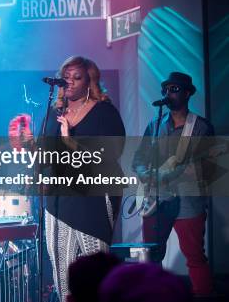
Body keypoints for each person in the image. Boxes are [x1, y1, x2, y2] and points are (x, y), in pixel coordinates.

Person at [42, 56, 126, 302]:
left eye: (77, 78)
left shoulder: (104, 112)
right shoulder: (54, 113)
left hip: (93, 199)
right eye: (66, 77)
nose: (70, 83)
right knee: (62, 272)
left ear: (90, 82)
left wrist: (71, 143)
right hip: (59, 199)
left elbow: (112, 154)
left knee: (95, 273)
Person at [132, 72, 214, 297]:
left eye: (175, 89)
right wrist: (145, 175)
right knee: (151, 255)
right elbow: (138, 159)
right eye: (166, 89)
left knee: (195, 256)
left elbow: (209, 168)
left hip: (188, 201)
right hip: (156, 200)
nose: (169, 94)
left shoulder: (200, 128)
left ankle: (203, 295)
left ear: (188, 93)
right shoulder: (156, 124)